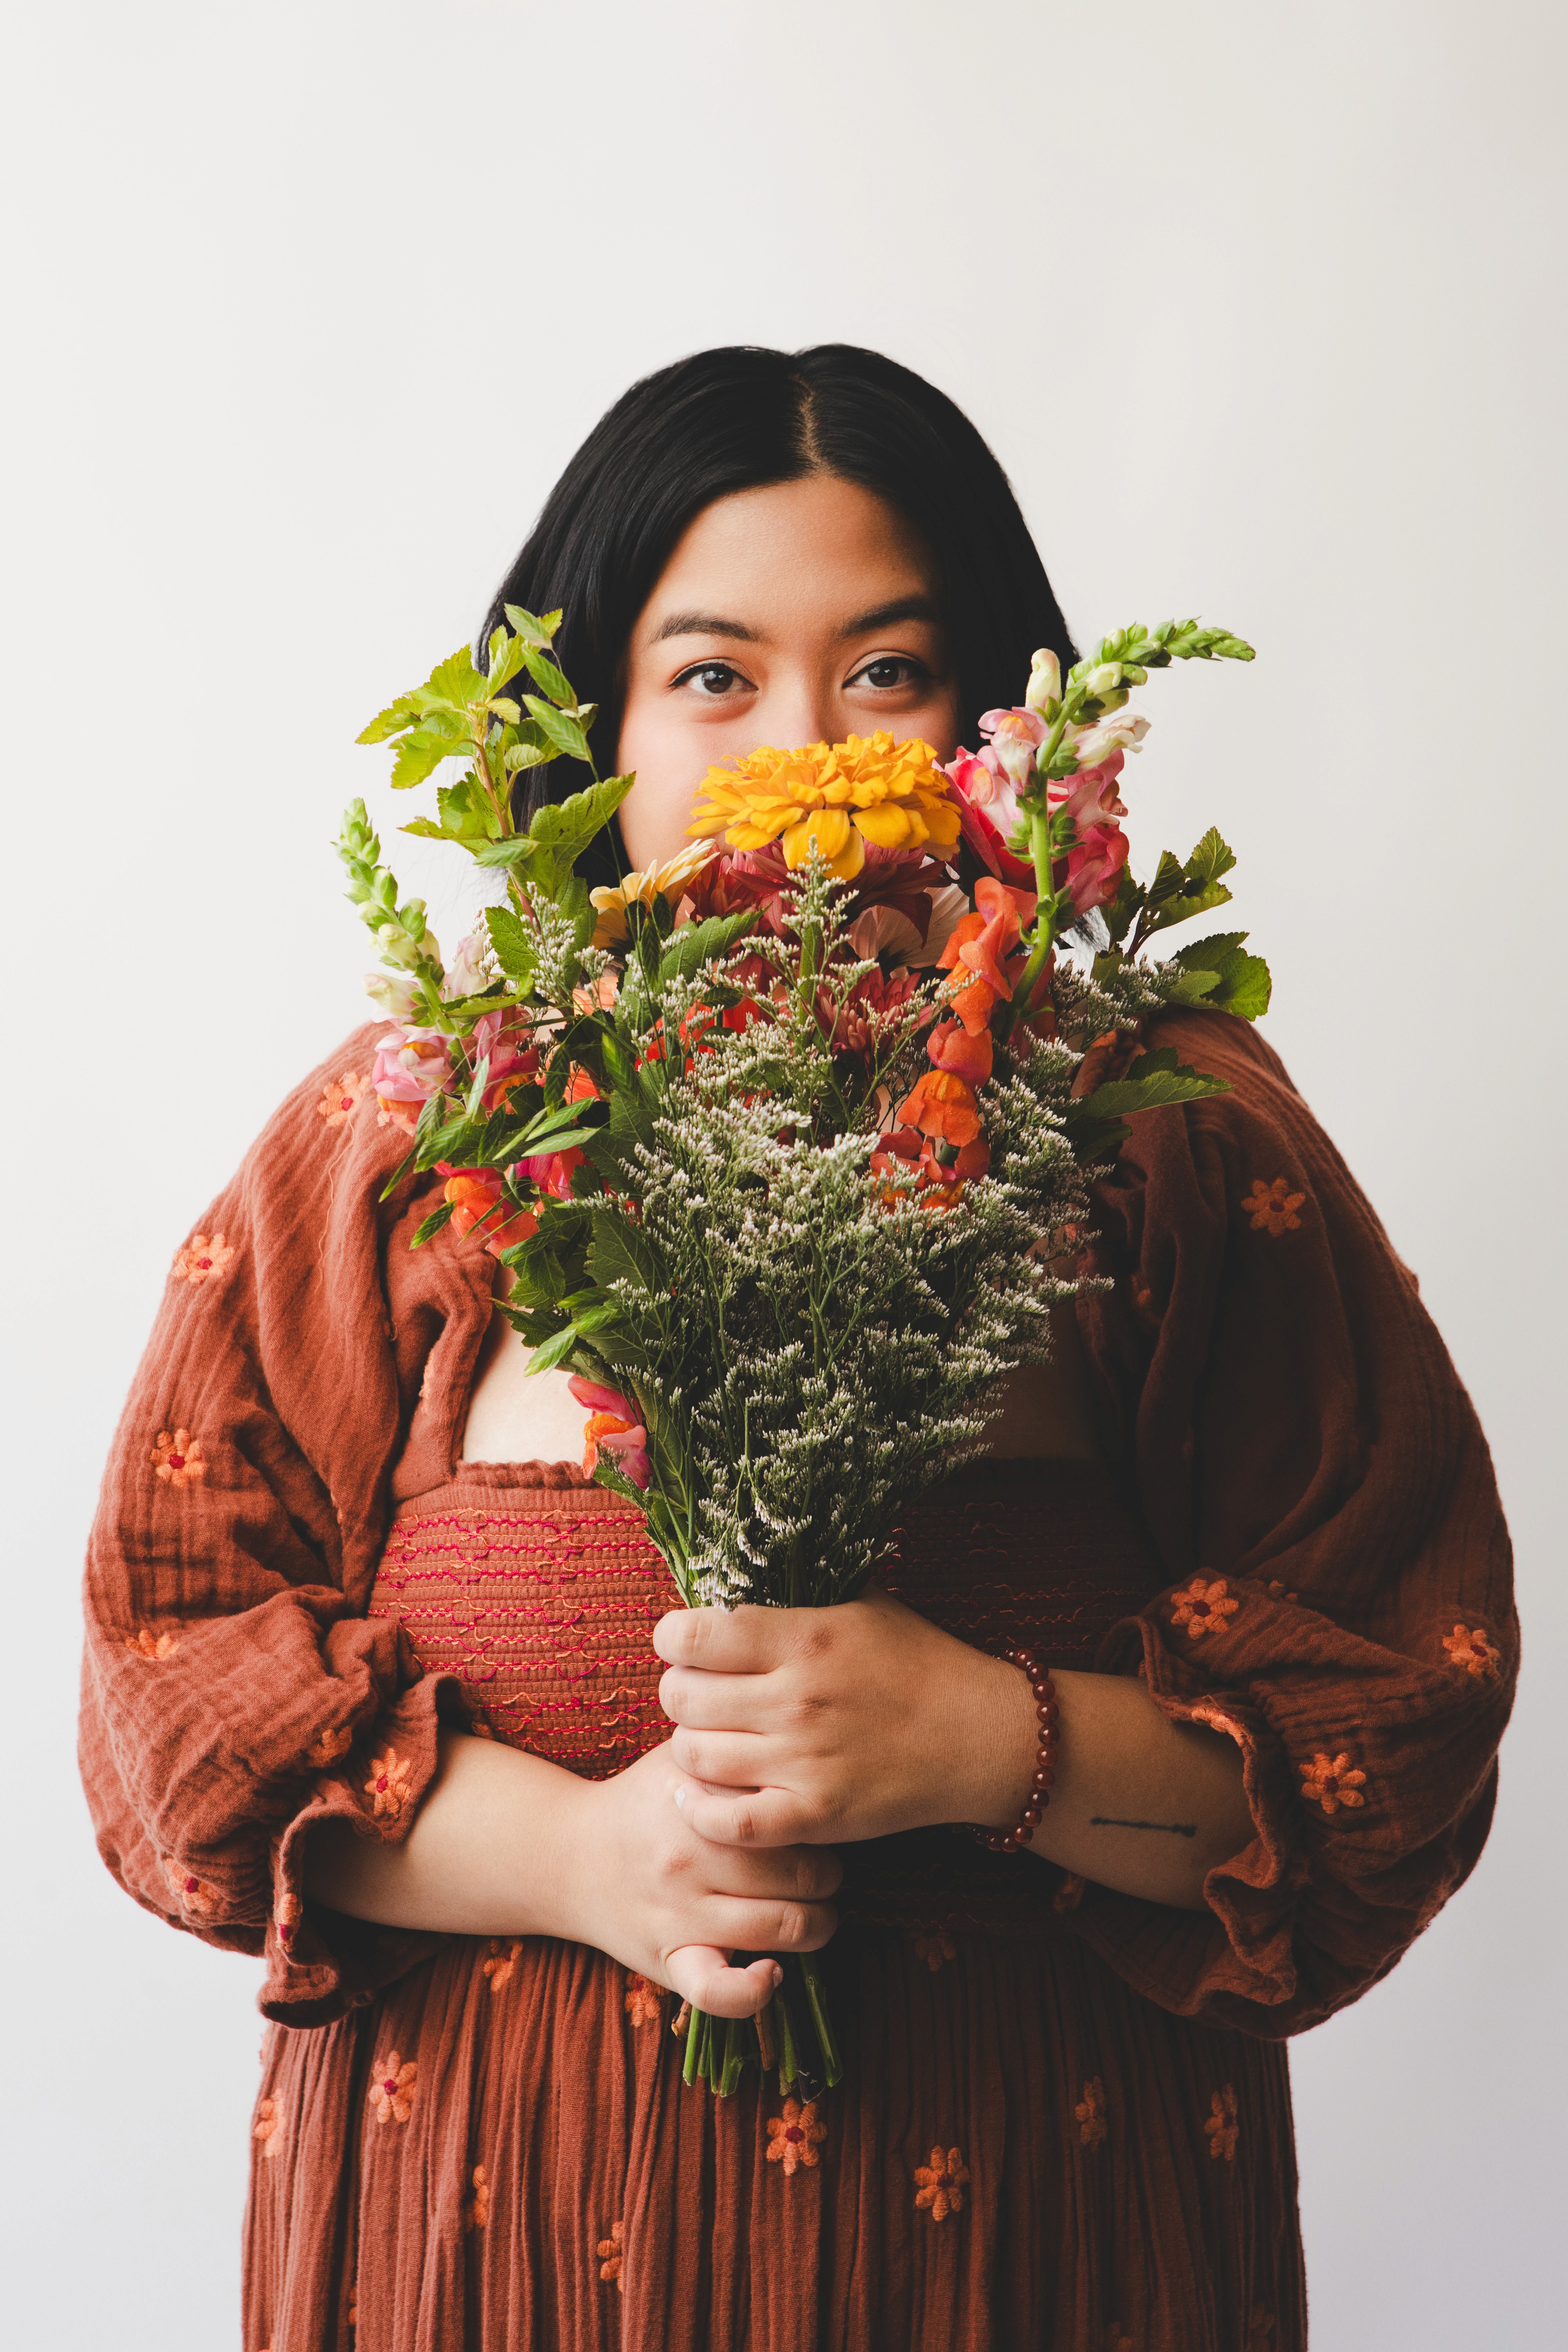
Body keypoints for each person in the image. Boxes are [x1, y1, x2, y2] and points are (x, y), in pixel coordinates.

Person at [79, 346, 1516, 2352]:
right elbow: (173, 1683)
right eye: (712, 676)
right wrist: (583, 1859)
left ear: (999, 720)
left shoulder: (1158, 1131)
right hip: (487, 2235)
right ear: (585, 725)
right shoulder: (428, 1114)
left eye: (886, 674)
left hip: (1039, 2233)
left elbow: (1394, 1717)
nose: (799, 754)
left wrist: (981, 1746)